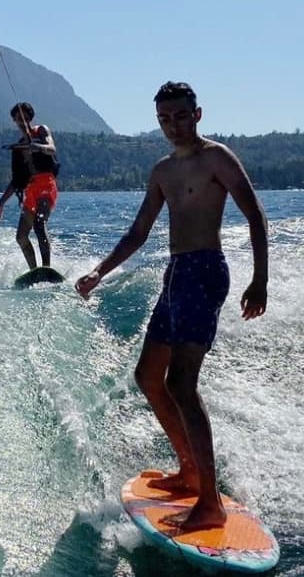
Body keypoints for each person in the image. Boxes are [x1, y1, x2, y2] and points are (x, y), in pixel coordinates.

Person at [75, 81, 268, 532]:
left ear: (197, 115)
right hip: (176, 275)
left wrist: (259, 280)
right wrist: (100, 271)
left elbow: (255, 214)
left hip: (204, 272)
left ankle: (210, 502)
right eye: (164, 119)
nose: (173, 126)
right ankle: (189, 471)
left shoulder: (216, 158)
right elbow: (140, 230)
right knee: (147, 376)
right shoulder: (162, 170)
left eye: (181, 116)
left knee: (182, 384)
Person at [0, 102, 60, 269]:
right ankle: (34, 271)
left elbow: (52, 149)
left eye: (24, 118)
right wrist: (1, 203)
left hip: (46, 185)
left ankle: (46, 268)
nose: (21, 121)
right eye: (17, 119)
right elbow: (16, 182)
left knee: (39, 223)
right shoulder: (19, 147)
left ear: (30, 118)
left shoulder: (41, 131)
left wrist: (36, 146)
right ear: (14, 121)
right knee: (21, 236)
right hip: (31, 189)